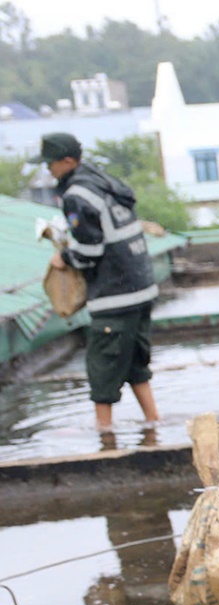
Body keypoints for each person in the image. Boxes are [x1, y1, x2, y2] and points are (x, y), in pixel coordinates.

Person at [35, 132, 160, 437]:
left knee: (102, 365)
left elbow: (90, 251)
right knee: (135, 362)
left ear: (67, 161)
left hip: (114, 294)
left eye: (50, 164)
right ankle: (153, 423)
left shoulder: (77, 194)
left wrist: (64, 257)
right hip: (142, 287)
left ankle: (104, 436)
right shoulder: (104, 182)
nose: (48, 170)